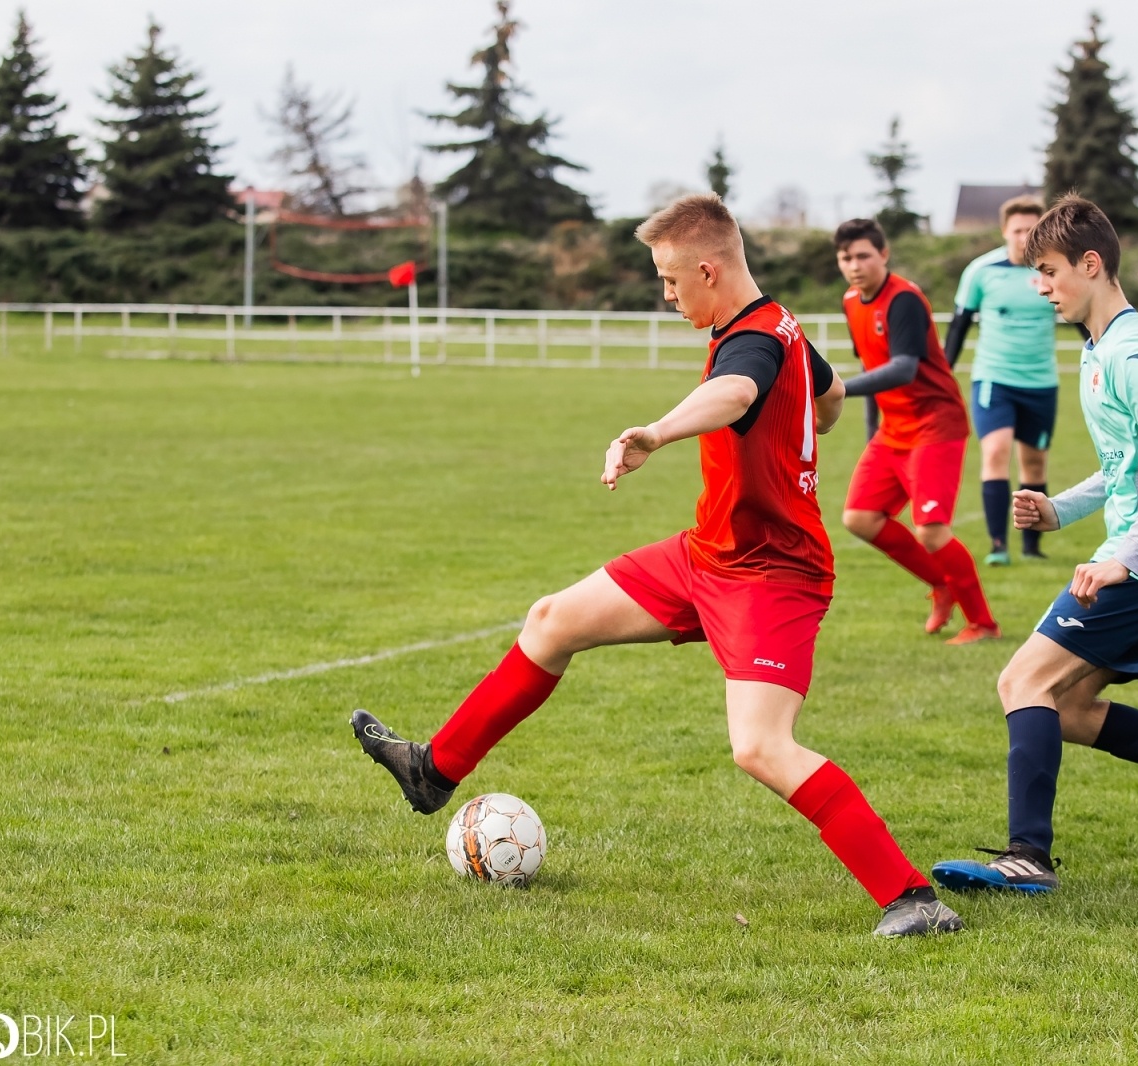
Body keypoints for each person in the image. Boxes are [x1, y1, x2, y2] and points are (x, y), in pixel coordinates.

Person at [352, 194, 963, 938]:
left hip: (773, 574)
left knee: (761, 747)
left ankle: (914, 900)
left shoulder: (756, 343)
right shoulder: (782, 326)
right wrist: (809, 421)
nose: (667, 295)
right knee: (551, 621)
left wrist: (657, 432)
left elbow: (737, 389)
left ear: (708, 270)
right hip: (706, 555)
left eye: (672, 282)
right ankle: (431, 772)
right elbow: (831, 398)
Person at [929, 196, 1138, 895]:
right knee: (1069, 710)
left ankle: (1028, 855)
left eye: (1049, 270)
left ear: (1092, 264)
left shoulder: (1133, 354)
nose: (1041, 285)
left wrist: (1125, 558)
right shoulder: (1101, 347)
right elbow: (1125, 467)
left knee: (1021, 681)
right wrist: (1061, 509)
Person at [833, 217, 1001, 645]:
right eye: (846, 257)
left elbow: (903, 368)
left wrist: (838, 391)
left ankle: (983, 624)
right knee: (860, 518)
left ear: (883, 255)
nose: (855, 265)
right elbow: (875, 369)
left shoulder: (903, 299)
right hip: (893, 429)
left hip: (935, 424)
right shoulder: (851, 301)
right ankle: (941, 585)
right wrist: (874, 430)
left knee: (931, 529)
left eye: (863, 256)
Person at [947, 195, 1061, 566]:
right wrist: (944, 373)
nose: (1025, 237)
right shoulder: (982, 271)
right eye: (1018, 230)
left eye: (1032, 230)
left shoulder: (1052, 271)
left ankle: (1032, 546)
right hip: (994, 380)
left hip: (1041, 382)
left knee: (1034, 465)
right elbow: (960, 324)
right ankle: (998, 545)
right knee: (995, 454)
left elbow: (1079, 318)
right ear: (1004, 232)